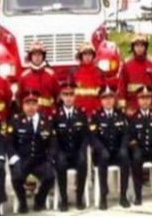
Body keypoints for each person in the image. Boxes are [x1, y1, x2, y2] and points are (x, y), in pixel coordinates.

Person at [7, 91, 56, 214]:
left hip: (40, 159)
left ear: (37, 105)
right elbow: (9, 143)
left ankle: (40, 199)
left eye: (33, 104)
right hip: (22, 159)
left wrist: (50, 158)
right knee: (16, 177)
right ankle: (22, 202)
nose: (30, 107)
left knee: (50, 176)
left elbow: (52, 143)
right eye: (28, 104)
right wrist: (14, 158)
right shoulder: (16, 121)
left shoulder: (46, 120)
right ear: (23, 106)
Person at [90, 85, 131, 210]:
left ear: (114, 99)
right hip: (102, 153)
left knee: (125, 157)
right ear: (101, 100)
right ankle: (103, 195)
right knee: (103, 157)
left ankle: (123, 195)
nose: (108, 101)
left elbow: (126, 134)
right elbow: (93, 138)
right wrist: (101, 149)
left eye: (110, 98)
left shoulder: (120, 115)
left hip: (117, 152)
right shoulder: (96, 116)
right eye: (105, 98)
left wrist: (123, 147)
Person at [52, 81, 89, 211]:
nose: (68, 98)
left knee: (83, 162)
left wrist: (82, 151)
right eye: (65, 94)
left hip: (77, 151)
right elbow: (54, 138)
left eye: (71, 95)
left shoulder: (81, 114)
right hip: (63, 152)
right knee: (61, 163)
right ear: (61, 96)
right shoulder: (56, 115)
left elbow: (85, 137)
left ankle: (79, 197)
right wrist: (58, 152)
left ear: (75, 96)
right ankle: (64, 199)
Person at [119, 34, 152, 111]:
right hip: (132, 106)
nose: (139, 48)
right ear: (133, 47)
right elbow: (122, 85)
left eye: (142, 46)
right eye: (137, 46)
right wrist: (123, 106)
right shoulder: (126, 64)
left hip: (149, 106)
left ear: (145, 47)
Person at [17, 40, 60, 117]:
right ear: (30, 57)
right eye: (34, 54)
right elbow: (19, 97)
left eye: (39, 54)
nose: (37, 57)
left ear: (43, 56)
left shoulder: (51, 75)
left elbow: (57, 96)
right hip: (29, 116)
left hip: (47, 115)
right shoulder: (24, 77)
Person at [72, 42, 105, 117]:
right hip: (78, 111)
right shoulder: (74, 72)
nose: (87, 57)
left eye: (90, 54)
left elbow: (103, 92)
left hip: (96, 111)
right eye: (85, 54)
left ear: (93, 56)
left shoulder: (99, 72)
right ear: (81, 56)